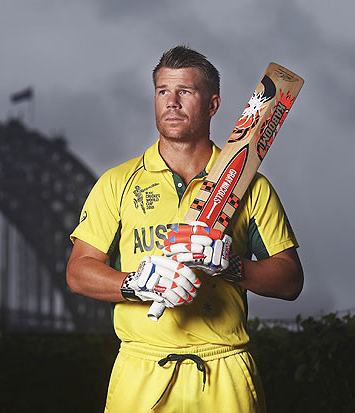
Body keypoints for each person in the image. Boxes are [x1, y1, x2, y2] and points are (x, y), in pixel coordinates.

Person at [66, 45, 303, 412]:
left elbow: (290, 282)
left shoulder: (250, 185)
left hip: (224, 370)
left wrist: (233, 267)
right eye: (163, 91)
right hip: (140, 370)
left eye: (185, 92)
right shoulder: (117, 182)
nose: (171, 102)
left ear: (212, 105)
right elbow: (78, 272)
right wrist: (135, 284)